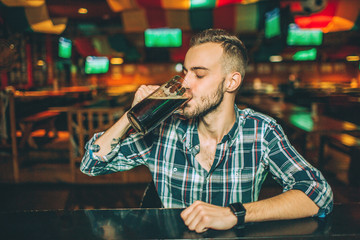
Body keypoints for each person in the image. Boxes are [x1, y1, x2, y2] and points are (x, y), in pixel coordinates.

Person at [81, 29, 333, 233]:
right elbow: (92, 164)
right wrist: (132, 115)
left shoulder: (260, 130)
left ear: (231, 82)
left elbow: (317, 192)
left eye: (199, 75)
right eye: (185, 72)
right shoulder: (165, 128)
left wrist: (234, 214)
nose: (185, 83)